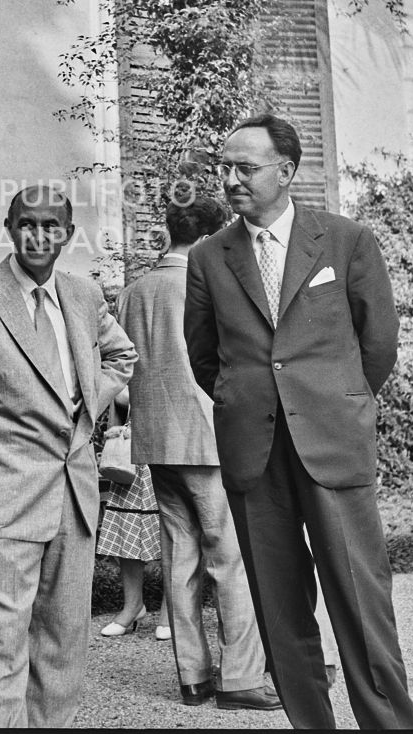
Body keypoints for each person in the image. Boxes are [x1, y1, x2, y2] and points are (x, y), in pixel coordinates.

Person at [184, 113, 413, 730]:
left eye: (245, 167)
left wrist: (338, 402)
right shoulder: (210, 256)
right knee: (280, 612)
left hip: (333, 445)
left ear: (286, 172)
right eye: (224, 167)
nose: (230, 178)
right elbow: (205, 355)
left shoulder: (344, 240)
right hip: (254, 453)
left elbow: (379, 342)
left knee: (361, 606)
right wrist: (249, 400)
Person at [0, 183, 137, 728]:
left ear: (68, 233)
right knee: (0, 644)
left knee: (63, 642)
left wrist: (86, 401)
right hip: (1, 496)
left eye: (52, 225)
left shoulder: (83, 295)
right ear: (10, 228)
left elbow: (122, 354)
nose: (39, 235)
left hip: (74, 494)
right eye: (28, 224)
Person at [118, 192, 281, 711]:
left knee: (180, 557)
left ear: (170, 231)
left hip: (156, 440)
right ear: (211, 234)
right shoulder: (210, 279)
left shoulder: (134, 290)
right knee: (229, 559)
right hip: (210, 436)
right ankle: (239, 678)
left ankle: (193, 677)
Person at [95, 387, 171, 643]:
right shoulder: (127, 349)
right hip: (129, 449)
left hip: (170, 442)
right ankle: (133, 606)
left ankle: (171, 610)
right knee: (125, 522)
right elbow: (119, 396)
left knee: (171, 526)